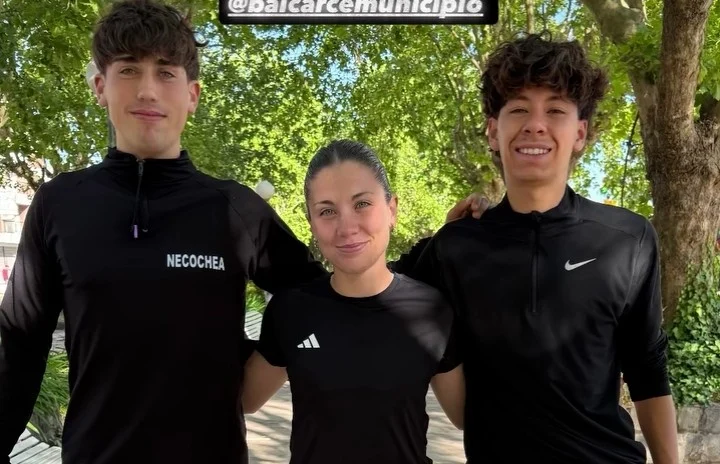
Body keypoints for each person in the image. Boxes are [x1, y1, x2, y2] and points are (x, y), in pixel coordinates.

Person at [0, 2, 483, 463]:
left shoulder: (235, 210)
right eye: (128, 69)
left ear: (192, 94)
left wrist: (441, 250)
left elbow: (336, 286)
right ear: (100, 86)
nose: (147, 90)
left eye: (166, 72)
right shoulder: (58, 204)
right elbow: (20, 342)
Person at [407, 34, 679, 463]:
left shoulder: (629, 238)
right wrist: (442, 240)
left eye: (555, 110)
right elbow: (370, 291)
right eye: (518, 109)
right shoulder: (453, 249)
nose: (535, 124)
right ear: (493, 131)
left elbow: (647, 371)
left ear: (580, 133)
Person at [242, 140, 465, 464]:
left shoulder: (433, 311)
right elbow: (245, 400)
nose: (346, 227)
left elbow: (466, 416)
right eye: (327, 211)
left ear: (392, 209)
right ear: (311, 221)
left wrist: (482, 234)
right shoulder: (292, 310)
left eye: (362, 204)